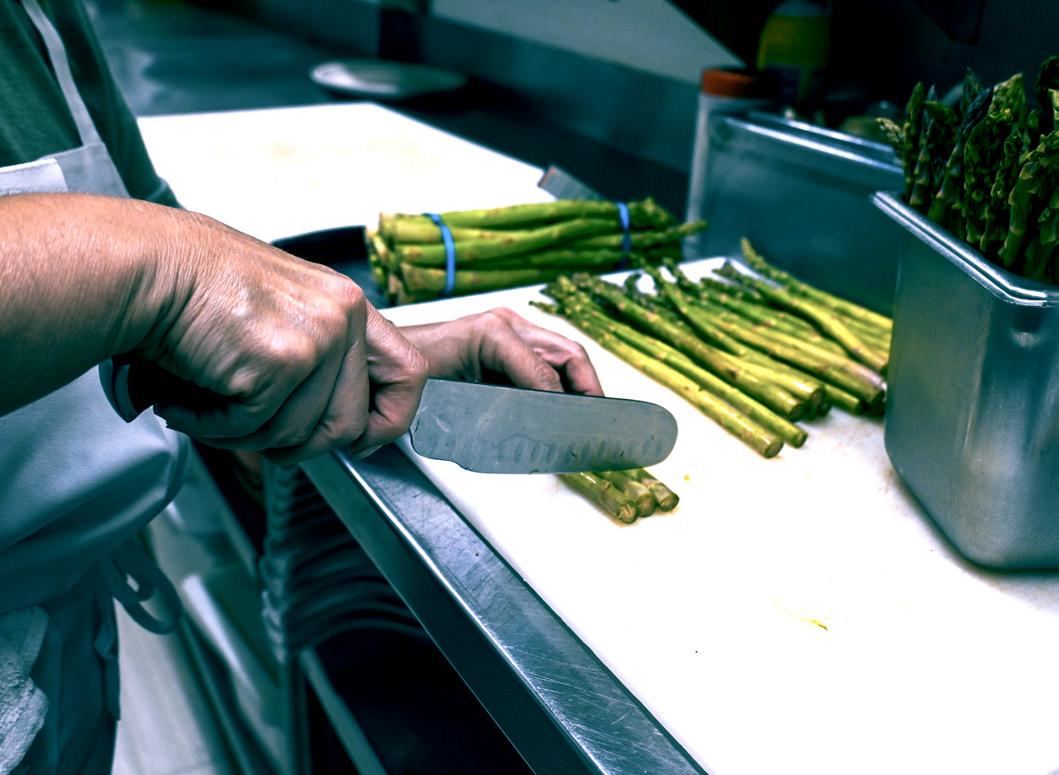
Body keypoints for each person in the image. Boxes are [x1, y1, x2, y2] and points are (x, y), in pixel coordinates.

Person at [0, 1, 602, 772]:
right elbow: (155, 268)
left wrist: (368, 352)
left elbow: (144, 300)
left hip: (62, 640)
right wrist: (166, 266)